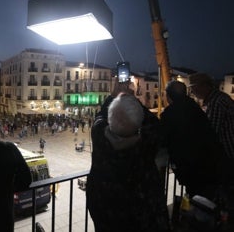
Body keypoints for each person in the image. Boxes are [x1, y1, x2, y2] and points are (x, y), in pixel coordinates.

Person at [86, 93, 170, 232]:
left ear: (110, 119)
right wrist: (132, 100)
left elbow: (99, 118)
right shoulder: (146, 143)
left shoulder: (100, 137)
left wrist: (114, 95)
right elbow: (155, 125)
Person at [160, 81, 223, 199]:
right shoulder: (196, 109)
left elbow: (161, 139)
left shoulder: (169, 115)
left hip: (190, 169)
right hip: (209, 165)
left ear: (168, 96)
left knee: (199, 200)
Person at [189, 72, 234, 160]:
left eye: (193, 87)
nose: (192, 91)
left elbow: (211, 131)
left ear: (204, 86)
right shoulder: (218, 97)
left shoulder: (215, 102)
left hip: (226, 153)